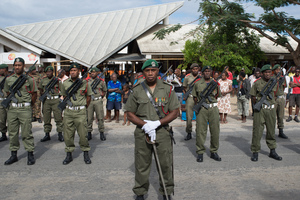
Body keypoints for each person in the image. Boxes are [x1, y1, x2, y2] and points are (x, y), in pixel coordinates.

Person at [125, 59, 180, 200]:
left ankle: (166, 192)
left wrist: (157, 123)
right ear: (143, 72)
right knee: (141, 164)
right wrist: (145, 125)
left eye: (153, 70)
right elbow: (130, 113)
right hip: (142, 132)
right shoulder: (137, 90)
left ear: (158, 71)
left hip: (162, 132)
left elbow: (175, 111)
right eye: (147, 70)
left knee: (165, 164)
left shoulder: (167, 88)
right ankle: (140, 193)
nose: (150, 73)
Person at [3, 57, 37, 165]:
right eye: (16, 65)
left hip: (25, 108)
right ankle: (14, 155)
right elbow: (7, 93)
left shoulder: (29, 79)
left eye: (19, 65)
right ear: (13, 66)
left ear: (23, 66)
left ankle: (30, 154)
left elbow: (34, 94)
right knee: (13, 132)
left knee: (27, 132)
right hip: (12, 108)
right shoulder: (9, 79)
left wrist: (28, 105)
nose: (17, 67)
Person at [60, 63, 92, 165]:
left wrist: (82, 108)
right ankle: (69, 154)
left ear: (79, 71)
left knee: (83, 134)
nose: (73, 72)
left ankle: (86, 153)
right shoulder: (65, 83)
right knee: (68, 135)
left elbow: (88, 98)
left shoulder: (85, 83)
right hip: (69, 111)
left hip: (80, 112)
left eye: (75, 70)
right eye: (71, 70)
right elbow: (64, 96)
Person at [249, 64, 282, 162]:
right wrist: (258, 106)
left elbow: (276, 95)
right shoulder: (257, 83)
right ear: (262, 73)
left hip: (271, 110)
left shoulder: (275, 82)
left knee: (271, 131)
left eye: (269, 72)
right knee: (257, 132)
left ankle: (272, 151)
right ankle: (255, 152)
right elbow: (253, 96)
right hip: (260, 110)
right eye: (266, 72)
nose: (268, 74)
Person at [192, 66, 222, 162]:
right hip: (202, 109)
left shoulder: (215, 83)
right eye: (205, 71)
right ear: (202, 72)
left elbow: (217, 95)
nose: (207, 73)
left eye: (209, 71)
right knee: (200, 131)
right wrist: (201, 105)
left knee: (215, 131)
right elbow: (195, 97)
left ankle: (214, 151)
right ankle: (200, 152)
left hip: (213, 108)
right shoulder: (197, 83)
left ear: (211, 72)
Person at [38, 66, 64, 142]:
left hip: (55, 100)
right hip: (46, 101)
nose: (48, 73)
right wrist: (43, 94)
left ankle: (60, 134)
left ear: (52, 72)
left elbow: (62, 90)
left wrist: (58, 96)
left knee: (58, 118)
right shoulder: (43, 80)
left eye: (50, 72)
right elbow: (40, 88)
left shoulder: (57, 80)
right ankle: (47, 134)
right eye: (47, 72)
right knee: (46, 118)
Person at [87, 67, 107, 141]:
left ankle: (101, 133)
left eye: (94, 72)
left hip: (98, 101)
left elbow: (105, 90)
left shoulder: (101, 81)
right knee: (89, 118)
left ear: (97, 73)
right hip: (90, 101)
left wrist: (101, 96)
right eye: (91, 72)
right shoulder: (87, 81)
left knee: (100, 117)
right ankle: (89, 133)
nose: (92, 73)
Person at [182, 63, 200, 140]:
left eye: (196, 69)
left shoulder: (201, 78)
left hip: (199, 99)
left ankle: (198, 132)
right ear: (191, 69)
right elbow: (184, 88)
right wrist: (185, 96)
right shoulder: (187, 77)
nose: (195, 70)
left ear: (198, 69)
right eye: (193, 69)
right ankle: (189, 133)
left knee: (199, 117)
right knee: (189, 117)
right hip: (190, 98)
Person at [272, 64, 288, 139]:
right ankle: (271, 132)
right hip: (274, 98)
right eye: (277, 70)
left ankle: (281, 131)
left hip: (281, 98)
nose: (278, 71)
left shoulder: (282, 78)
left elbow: (284, 87)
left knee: (281, 116)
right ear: (274, 70)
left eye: (279, 70)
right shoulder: (272, 78)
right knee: (272, 116)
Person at [0, 64, 9, 142]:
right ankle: (3, 134)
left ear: (4, 69)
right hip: (1, 101)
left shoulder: (10, 78)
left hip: (9, 101)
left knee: (11, 119)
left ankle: (13, 134)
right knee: (2, 120)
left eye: (1, 69)